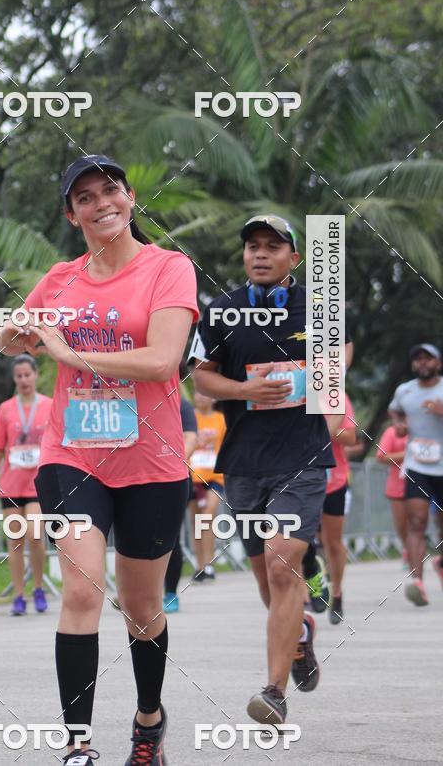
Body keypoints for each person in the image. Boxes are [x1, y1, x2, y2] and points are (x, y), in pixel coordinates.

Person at [0, 155, 198, 766]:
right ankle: (77, 745)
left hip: (152, 463)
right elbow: (20, 334)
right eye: (84, 197)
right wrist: (12, 334)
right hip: (72, 455)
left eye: (110, 189)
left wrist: (70, 354)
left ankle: (148, 720)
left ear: (130, 197)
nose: (101, 202)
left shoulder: (170, 268)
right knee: (83, 592)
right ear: (71, 213)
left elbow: (163, 360)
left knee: (141, 608)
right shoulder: (60, 278)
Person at [191, 214, 353, 727]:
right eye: (252, 247)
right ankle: (300, 635)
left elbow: (339, 358)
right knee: (268, 582)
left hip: (302, 457)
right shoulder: (222, 311)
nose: (260, 254)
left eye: (272, 246)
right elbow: (201, 382)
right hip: (243, 462)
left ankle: (273, 692)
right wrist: (245, 391)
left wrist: (326, 385)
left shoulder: (320, 309)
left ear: (294, 258)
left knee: (285, 564)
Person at [0, 354, 53, 615]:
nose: (24, 380)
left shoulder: (49, 405)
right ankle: (18, 594)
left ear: (35, 375)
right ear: (14, 379)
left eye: (27, 374)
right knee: (15, 541)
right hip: (11, 484)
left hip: (38, 483)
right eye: (19, 376)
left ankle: (38, 588)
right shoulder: (5, 409)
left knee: (35, 534)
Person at [388, 343, 443, 606]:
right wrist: (398, 423)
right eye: (417, 359)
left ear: (438, 364)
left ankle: (440, 560)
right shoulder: (404, 391)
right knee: (417, 522)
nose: (422, 363)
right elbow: (395, 409)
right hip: (417, 466)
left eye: (428, 359)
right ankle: (417, 583)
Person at [163, 374, 198, 613]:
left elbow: (191, 438)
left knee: (171, 538)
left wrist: (169, 463)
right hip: (135, 477)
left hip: (171, 476)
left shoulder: (181, 404)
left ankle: (170, 592)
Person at [321, 394, 357, 624]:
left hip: (333, 479)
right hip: (298, 479)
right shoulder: (290, 388)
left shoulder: (335, 394)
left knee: (332, 542)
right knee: (297, 541)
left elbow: (351, 437)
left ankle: (336, 593)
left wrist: (322, 429)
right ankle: (308, 593)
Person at [188, 391, 226, 582]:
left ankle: (209, 564)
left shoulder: (221, 419)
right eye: (197, 393)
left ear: (214, 397)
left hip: (215, 476)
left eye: (205, 394)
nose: (201, 397)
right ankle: (200, 565)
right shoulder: (191, 417)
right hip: (193, 474)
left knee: (208, 516)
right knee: (196, 522)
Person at [376, 422, 408, 563]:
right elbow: (381, 456)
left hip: (422, 484)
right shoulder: (391, 432)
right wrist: (406, 454)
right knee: (401, 524)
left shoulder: (422, 428)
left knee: (418, 521)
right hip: (398, 487)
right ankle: (408, 549)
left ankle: (416, 552)